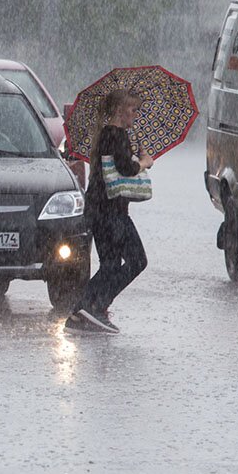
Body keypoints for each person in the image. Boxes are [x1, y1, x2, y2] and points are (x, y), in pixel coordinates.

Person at [65, 89, 154, 334]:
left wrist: (132, 154)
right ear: (119, 110)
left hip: (99, 210)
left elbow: (112, 168)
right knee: (137, 260)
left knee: (111, 264)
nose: (135, 115)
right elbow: (125, 169)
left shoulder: (105, 135)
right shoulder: (117, 135)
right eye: (133, 110)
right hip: (111, 212)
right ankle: (91, 307)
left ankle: (84, 312)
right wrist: (144, 162)